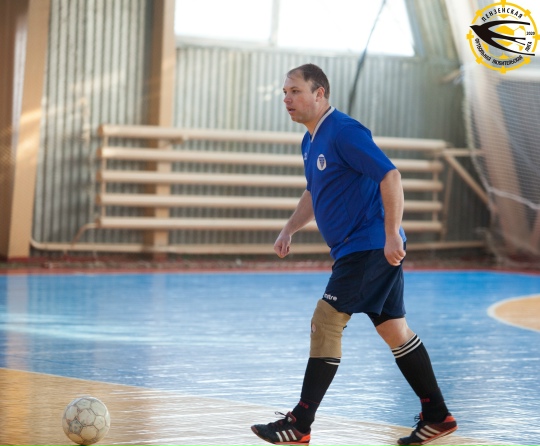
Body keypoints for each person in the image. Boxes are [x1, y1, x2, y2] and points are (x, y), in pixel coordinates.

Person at [250, 64, 457, 445]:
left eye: (295, 91)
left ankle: (300, 423)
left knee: (326, 320)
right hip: (358, 248)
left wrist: (391, 233)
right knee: (394, 329)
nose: (287, 99)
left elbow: (390, 176)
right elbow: (314, 192)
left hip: (369, 246)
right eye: (285, 92)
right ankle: (437, 415)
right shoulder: (310, 141)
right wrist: (289, 228)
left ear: (320, 94)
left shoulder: (344, 131)